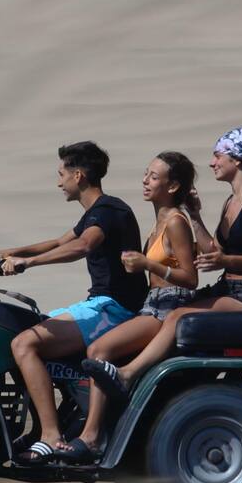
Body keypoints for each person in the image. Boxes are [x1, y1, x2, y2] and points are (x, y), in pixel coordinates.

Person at [83, 125, 242, 403]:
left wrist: (225, 260)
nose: (212, 163)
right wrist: (195, 215)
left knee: (177, 316)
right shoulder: (232, 201)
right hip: (227, 289)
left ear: (237, 160)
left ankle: (128, 375)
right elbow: (214, 249)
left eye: (218, 156)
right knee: (173, 310)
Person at [0, 141, 148, 464]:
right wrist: (8, 252)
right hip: (100, 304)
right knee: (22, 334)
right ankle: (50, 423)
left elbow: (82, 246)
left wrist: (27, 263)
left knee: (24, 344)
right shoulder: (95, 213)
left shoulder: (108, 212)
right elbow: (60, 242)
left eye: (61, 174)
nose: (58, 182)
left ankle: (51, 436)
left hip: (113, 309)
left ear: (78, 175)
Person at [58, 151, 200, 463]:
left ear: (172, 186)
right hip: (152, 304)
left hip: (166, 307)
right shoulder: (160, 221)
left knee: (98, 350)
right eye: (146, 173)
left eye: (153, 177)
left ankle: (92, 437)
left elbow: (191, 279)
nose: (145, 181)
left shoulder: (175, 222)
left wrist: (148, 264)